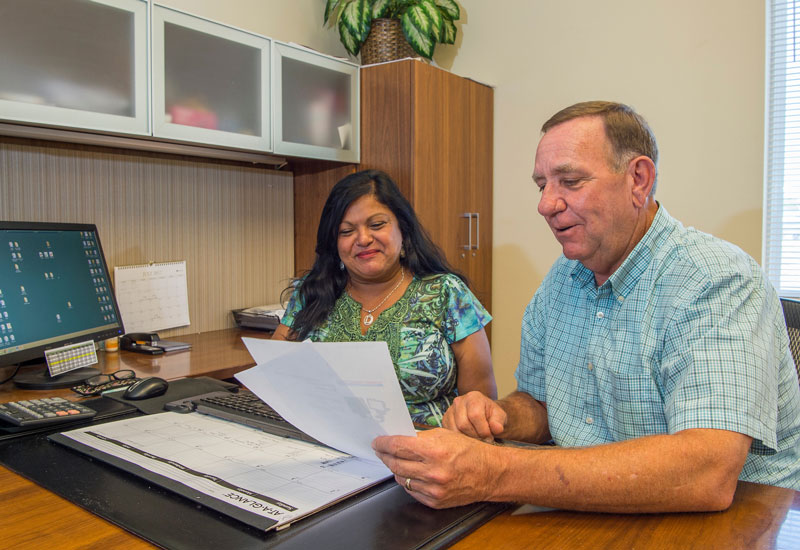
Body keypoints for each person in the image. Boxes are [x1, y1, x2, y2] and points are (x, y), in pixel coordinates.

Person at [372, 101, 800, 513]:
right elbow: (540, 404)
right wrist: (498, 415)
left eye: (570, 181)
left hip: (745, 520)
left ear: (639, 180)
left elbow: (706, 472)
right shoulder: (562, 280)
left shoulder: (716, 279)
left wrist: (494, 472)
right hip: (596, 509)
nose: (545, 204)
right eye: (542, 185)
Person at [273, 169, 497, 426]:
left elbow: (480, 403)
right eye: (346, 232)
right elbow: (276, 376)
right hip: (327, 446)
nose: (363, 239)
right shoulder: (312, 292)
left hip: (428, 450)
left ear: (403, 228)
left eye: (377, 225)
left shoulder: (447, 293)